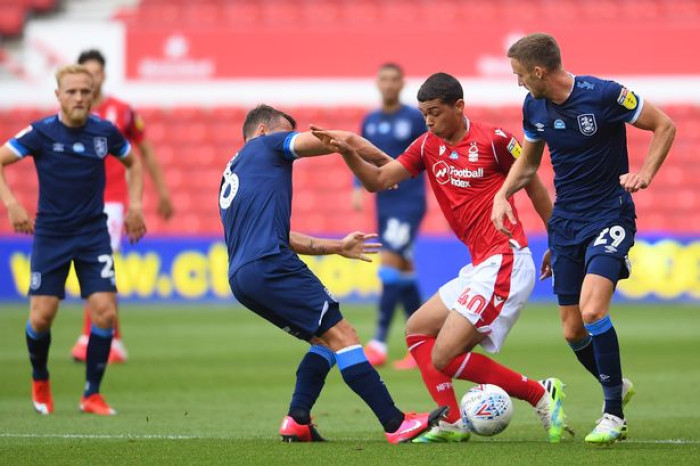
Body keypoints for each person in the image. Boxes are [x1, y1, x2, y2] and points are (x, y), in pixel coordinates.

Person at [313, 72, 571, 443]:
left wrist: (558, 241)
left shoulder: (495, 141)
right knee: (417, 330)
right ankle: (450, 420)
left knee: (444, 355)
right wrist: (347, 151)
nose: (429, 121)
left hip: (506, 259)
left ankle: (539, 393)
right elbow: (378, 180)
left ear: (458, 107)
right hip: (481, 264)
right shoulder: (426, 146)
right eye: (424, 114)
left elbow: (534, 185)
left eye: (435, 112)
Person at [219, 104, 446, 443]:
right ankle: (395, 422)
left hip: (242, 277)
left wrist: (336, 247)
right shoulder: (266, 146)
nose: (290, 138)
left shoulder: (233, 172)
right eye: (285, 131)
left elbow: (281, 234)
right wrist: (388, 166)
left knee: (324, 341)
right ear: (263, 131)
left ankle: (297, 419)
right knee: (345, 335)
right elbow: (344, 140)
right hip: (270, 264)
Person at [491, 33, 676, 444]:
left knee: (593, 311)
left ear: (540, 71)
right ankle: (618, 384)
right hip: (566, 223)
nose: (519, 82)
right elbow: (529, 163)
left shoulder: (605, 94)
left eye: (520, 75)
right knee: (573, 330)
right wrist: (503, 194)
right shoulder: (533, 105)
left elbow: (664, 125)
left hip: (610, 214)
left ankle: (613, 414)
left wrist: (645, 172)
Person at [0, 64, 146, 416]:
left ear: (92, 94)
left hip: (93, 235)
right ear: (58, 96)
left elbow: (134, 163)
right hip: (51, 234)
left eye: (85, 91)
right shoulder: (41, 133)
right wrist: (13, 204)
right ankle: (40, 379)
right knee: (41, 317)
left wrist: (135, 206)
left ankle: (91, 394)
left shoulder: (105, 132)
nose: (79, 97)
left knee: (105, 313)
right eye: (72, 91)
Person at [70, 49, 174, 364]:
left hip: (112, 201)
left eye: (96, 73)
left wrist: (162, 193)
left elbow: (146, 152)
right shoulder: (72, 114)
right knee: (96, 267)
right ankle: (113, 340)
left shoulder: (122, 112)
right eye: (85, 74)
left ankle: (90, 337)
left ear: (103, 75)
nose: (92, 79)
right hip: (79, 201)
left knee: (98, 263)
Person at [356, 63, 427, 370]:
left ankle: (379, 342)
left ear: (402, 83)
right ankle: (424, 343)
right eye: (383, 79)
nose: (388, 84)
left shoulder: (413, 117)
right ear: (377, 83)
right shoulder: (369, 121)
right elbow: (360, 156)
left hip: (409, 201)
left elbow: (428, 151)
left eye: (394, 79)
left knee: (389, 265)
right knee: (403, 269)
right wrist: (357, 186)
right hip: (384, 203)